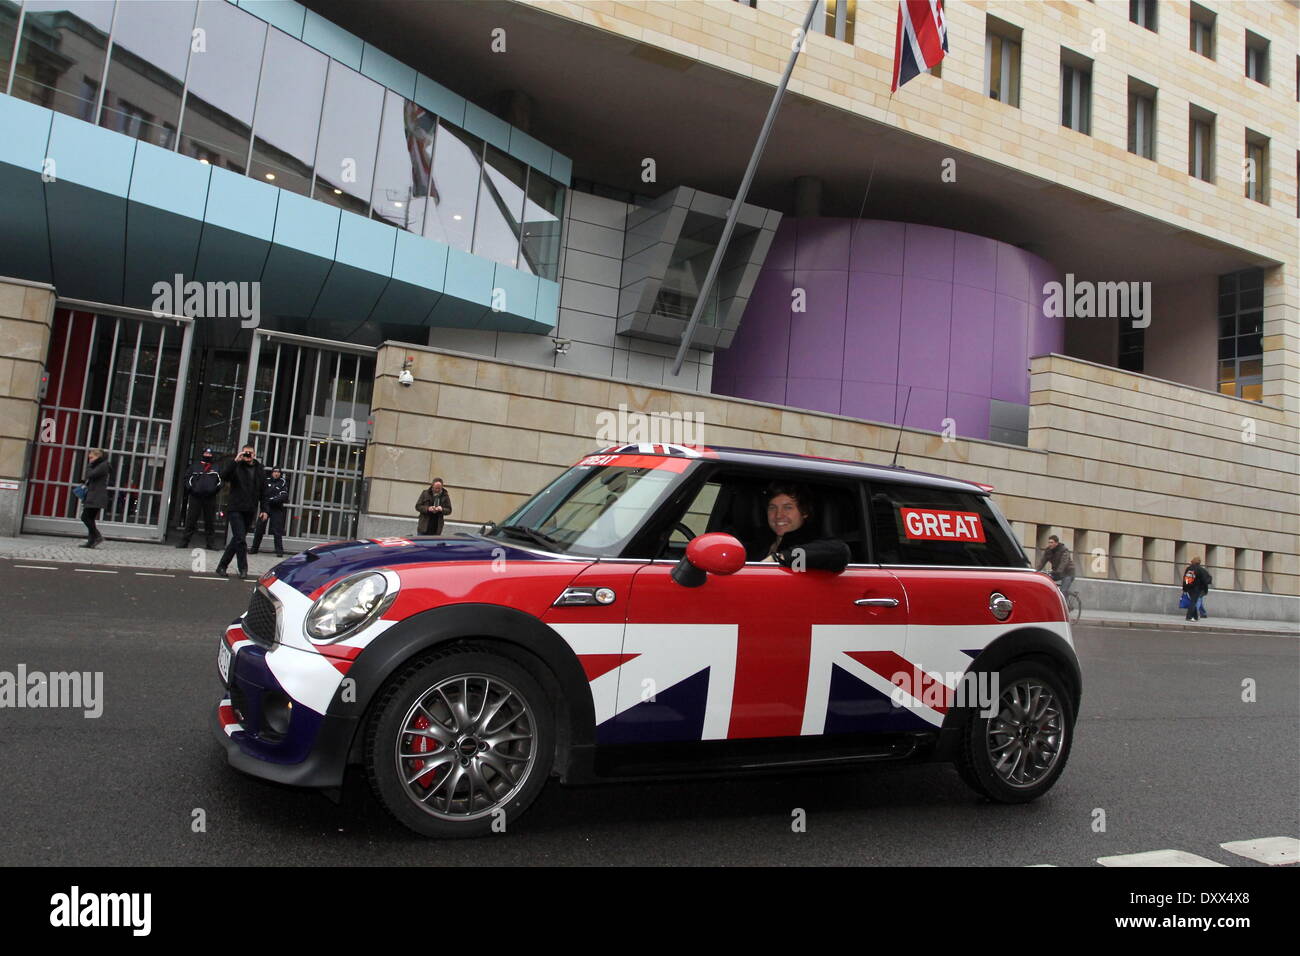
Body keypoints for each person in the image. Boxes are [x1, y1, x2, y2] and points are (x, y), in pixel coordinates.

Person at [746, 483, 850, 572]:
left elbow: (840, 551)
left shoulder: (810, 544)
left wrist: (779, 558)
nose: (778, 515)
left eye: (788, 507)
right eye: (772, 508)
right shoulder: (759, 544)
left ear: (804, 512)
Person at [215, 444, 267, 581]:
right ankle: (243, 568)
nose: (248, 456)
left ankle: (222, 566)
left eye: (250, 453)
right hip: (235, 508)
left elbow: (263, 491)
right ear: (242, 454)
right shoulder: (236, 466)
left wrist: (264, 509)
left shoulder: (260, 469)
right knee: (240, 539)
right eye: (245, 453)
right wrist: (235, 460)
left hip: (250, 509)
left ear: (255, 455)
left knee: (237, 540)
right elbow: (224, 476)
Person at [176, 448, 222, 549]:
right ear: (203, 454)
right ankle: (184, 542)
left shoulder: (216, 467)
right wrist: (192, 490)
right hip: (195, 497)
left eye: (209, 454)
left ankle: (211, 544)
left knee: (210, 521)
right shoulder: (195, 466)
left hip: (210, 498)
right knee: (191, 520)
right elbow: (187, 478)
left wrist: (213, 491)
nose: (208, 455)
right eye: (206, 453)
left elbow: (220, 482)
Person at [250, 466, 289, 557]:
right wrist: (266, 502)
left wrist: (271, 499)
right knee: (259, 529)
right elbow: (262, 494)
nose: (276, 473)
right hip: (266, 508)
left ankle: (279, 551)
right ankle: (254, 548)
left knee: (277, 531)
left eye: (278, 472)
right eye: (275, 472)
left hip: (277, 509)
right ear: (272, 473)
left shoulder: (282, 482)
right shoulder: (266, 481)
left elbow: (283, 496)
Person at [79, 448, 110, 549]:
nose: (90, 460)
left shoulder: (102, 466)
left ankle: (97, 536)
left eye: (91, 457)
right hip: (94, 495)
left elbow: (90, 475)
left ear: (98, 457)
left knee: (85, 517)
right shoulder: (100, 465)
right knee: (90, 518)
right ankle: (91, 541)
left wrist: (89, 466)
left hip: (96, 495)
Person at [1182, 556, 1212, 622]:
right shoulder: (1201, 570)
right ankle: (1189, 616)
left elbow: (1185, 579)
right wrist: (1203, 586)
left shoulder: (1189, 568)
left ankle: (1195, 616)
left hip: (1189, 588)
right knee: (1193, 602)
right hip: (1197, 589)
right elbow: (1207, 579)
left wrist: (1185, 588)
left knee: (1193, 601)